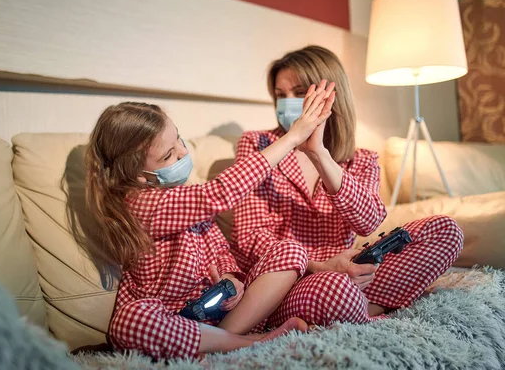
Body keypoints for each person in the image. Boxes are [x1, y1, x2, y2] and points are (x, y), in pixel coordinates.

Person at [83, 94, 333, 359]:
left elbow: (220, 250)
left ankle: (225, 339)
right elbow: (220, 193)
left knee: (291, 251)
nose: (182, 151)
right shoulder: (141, 205)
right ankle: (246, 343)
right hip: (173, 318)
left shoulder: (185, 194)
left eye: (178, 138)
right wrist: (292, 138)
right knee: (130, 321)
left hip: (217, 309)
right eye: (168, 155)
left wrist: (230, 278)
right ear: (137, 175)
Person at [230, 45, 464, 328]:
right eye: (281, 95)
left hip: (351, 271)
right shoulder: (259, 145)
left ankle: (358, 307)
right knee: (337, 290)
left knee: (446, 231)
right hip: (291, 281)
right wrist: (320, 265)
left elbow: (369, 222)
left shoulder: (362, 159)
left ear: (331, 96)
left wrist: (319, 154)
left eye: (300, 92)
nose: (288, 102)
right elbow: (249, 236)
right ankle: (363, 308)